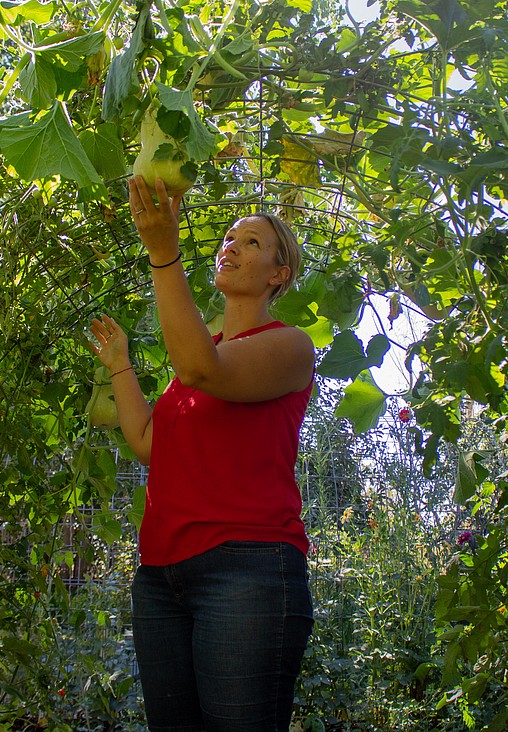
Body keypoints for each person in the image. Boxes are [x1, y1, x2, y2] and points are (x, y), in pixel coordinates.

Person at [87, 175, 316, 732]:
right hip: (162, 575)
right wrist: (120, 362)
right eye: (229, 238)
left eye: (253, 242)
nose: (231, 245)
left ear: (279, 274)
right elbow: (146, 444)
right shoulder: (198, 362)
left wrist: (164, 254)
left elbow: (200, 370)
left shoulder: (290, 346)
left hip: (248, 567)